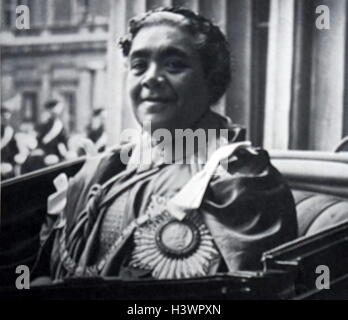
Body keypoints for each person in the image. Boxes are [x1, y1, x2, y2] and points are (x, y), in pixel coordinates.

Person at [33, 7, 297, 283]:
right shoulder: (104, 169)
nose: (150, 78)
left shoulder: (241, 181)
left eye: (174, 65)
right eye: (139, 66)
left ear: (212, 79)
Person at [36, 100, 68, 167]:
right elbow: (39, 139)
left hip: (56, 153)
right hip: (44, 153)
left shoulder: (58, 125)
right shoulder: (44, 124)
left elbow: (63, 141)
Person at [1, 105, 20, 180]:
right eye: (3, 116)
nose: (5, 118)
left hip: (10, 161)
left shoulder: (11, 129)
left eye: (7, 116)